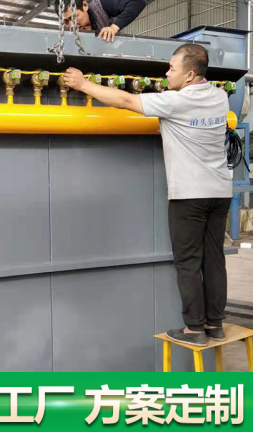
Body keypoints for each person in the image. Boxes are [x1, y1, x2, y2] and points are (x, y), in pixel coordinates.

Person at [63, 43, 232, 347]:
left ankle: (194, 329)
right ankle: (214, 324)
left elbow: (126, 100)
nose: (166, 73)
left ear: (189, 75)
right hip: (220, 192)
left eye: (172, 68)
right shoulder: (220, 97)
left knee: (188, 262)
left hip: (189, 196)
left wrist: (83, 84)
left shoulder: (176, 102)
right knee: (214, 258)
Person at [54, 0, 146, 42]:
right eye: (66, 21)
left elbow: (137, 3)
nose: (72, 25)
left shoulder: (100, 4)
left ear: (85, 5)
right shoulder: (65, 36)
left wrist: (114, 28)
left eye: (74, 17)